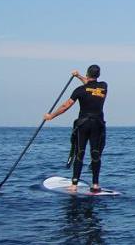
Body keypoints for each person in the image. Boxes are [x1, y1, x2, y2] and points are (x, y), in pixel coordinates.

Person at [44, 65, 108, 193]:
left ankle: (74, 185)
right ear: (98, 75)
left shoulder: (80, 90)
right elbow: (90, 85)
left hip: (83, 124)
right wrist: (78, 76)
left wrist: (51, 116)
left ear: (87, 74)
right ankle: (95, 184)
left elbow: (66, 106)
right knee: (95, 153)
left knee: (80, 152)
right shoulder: (103, 87)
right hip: (97, 124)